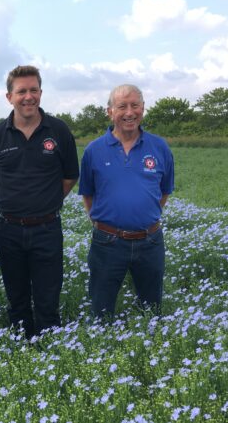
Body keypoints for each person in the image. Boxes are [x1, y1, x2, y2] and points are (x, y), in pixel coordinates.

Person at [0, 65, 79, 339]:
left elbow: (70, 177)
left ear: (41, 92)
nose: (28, 97)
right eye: (21, 91)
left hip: (47, 228)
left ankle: (49, 351)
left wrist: (45, 201)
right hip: (8, 229)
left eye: (33, 90)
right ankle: (23, 349)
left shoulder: (58, 131)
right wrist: (17, 202)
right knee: (17, 298)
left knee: (48, 299)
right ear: (9, 97)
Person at [78, 84, 174, 319]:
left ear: (143, 108)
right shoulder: (94, 150)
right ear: (110, 111)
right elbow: (88, 194)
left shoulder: (159, 147)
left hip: (150, 241)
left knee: (151, 310)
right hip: (107, 242)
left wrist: (143, 218)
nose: (129, 112)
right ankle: (100, 349)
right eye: (122, 106)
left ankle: (149, 349)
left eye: (135, 105)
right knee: (101, 309)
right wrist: (107, 225)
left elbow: (164, 191)